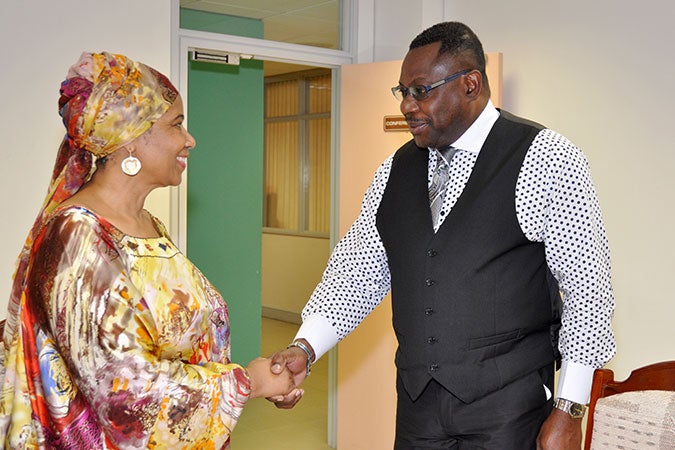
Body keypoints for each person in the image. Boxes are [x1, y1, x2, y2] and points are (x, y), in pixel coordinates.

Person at [270, 21, 616, 449]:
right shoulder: (394, 171)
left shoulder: (546, 158)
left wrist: (570, 409)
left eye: (421, 91)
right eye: (402, 92)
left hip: (509, 408)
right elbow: (355, 275)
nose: (408, 107)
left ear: (470, 84)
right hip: (419, 409)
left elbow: (588, 292)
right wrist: (305, 347)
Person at [0, 51, 297, 449]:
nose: (189, 140)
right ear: (132, 139)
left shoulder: (146, 226)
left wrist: (262, 381)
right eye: (177, 124)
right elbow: (128, 395)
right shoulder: (77, 239)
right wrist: (249, 382)